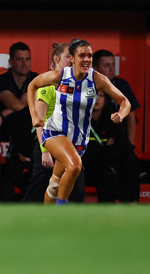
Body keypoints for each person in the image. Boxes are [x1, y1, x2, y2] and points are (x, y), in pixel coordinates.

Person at [27, 38, 131, 205]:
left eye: (89, 55)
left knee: (54, 184)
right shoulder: (59, 76)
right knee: (75, 166)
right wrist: (34, 115)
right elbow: (32, 85)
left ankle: (47, 217)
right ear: (72, 58)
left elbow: (125, 102)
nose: (87, 59)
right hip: (55, 132)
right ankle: (62, 209)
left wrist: (121, 113)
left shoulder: (97, 79)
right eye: (82, 55)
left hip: (79, 140)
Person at [21, 43, 85, 203]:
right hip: (49, 145)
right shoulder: (46, 83)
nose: (72, 61)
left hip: (70, 145)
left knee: (76, 191)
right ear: (56, 59)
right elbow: (39, 121)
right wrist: (45, 151)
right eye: (68, 58)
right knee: (36, 193)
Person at [0, 42, 39, 200]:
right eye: (19, 59)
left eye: (27, 59)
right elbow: (18, 105)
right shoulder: (1, 80)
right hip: (5, 140)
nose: (24, 63)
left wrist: (4, 113)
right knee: (6, 184)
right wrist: (25, 102)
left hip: (29, 140)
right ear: (11, 61)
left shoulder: (36, 78)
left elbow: (26, 107)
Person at [83, 90, 139, 203]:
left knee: (131, 160)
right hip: (86, 167)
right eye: (92, 95)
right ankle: (129, 203)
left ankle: (134, 200)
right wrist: (105, 147)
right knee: (103, 173)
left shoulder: (113, 117)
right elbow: (85, 153)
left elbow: (120, 147)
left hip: (108, 163)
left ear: (106, 100)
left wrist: (101, 150)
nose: (97, 99)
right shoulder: (80, 119)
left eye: (101, 95)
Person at [92, 49, 139, 147]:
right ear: (95, 68)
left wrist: (131, 146)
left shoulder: (121, 85)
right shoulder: (86, 86)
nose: (112, 69)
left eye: (113, 64)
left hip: (117, 140)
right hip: (92, 140)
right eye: (106, 65)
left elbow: (131, 117)